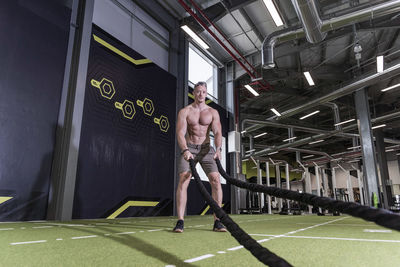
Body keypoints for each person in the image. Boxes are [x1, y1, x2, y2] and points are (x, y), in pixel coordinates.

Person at [173, 81, 227, 233]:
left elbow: (217, 132)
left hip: (206, 149)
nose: (201, 94)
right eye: (198, 91)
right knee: (184, 178)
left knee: (216, 180)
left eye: (203, 92)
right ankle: (180, 221)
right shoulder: (185, 111)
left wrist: (218, 149)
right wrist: (184, 150)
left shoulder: (212, 112)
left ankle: (217, 221)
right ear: (193, 93)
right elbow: (180, 133)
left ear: (206, 93)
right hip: (189, 148)